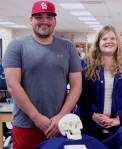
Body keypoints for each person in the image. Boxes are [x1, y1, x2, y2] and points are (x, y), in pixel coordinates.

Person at [2, 1, 82, 148]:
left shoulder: (68, 48)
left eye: (49, 17)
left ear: (55, 21)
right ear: (31, 20)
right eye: (39, 16)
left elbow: (77, 86)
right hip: (26, 126)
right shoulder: (17, 46)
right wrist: (36, 117)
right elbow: (13, 86)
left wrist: (61, 117)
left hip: (61, 126)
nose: (44, 21)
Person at [77, 25, 122, 141]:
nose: (109, 42)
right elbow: (79, 94)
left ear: (117, 42)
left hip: (120, 129)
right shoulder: (86, 65)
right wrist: (92, 114)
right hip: (90, 128)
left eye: (112, 38)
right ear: (98, 43)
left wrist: (119, 118)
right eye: (104, 39)